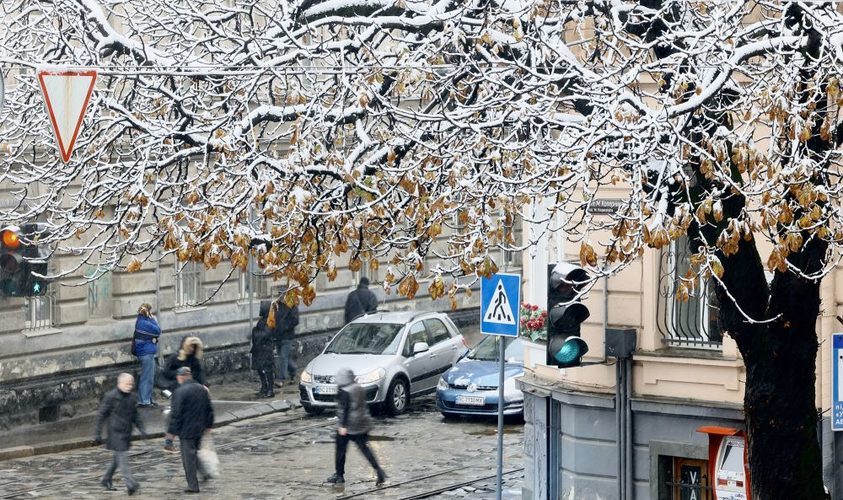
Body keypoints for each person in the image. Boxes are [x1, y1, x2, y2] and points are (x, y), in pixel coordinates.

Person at [326, 368, 386, 487]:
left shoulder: (344, 391)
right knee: (365, 449)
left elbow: (345, 409)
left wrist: (343, 426)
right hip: (362, 423)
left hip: (349, 425)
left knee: (340, 450)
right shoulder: (358, 387)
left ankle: (339, 475)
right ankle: (379, 471)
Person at [94, 373, 146, 496]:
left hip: (126, 432)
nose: (129, 386)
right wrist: (97, 433)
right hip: (115, 433)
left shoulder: (132, 397)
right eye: (126, 384)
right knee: (123, 458)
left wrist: (141, 428)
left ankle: (106, 479)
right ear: (119, 383)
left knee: (117, 459)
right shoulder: (111, 396)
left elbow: (135, 415)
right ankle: (130, 484)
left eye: (131, 384)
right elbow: (101, 415)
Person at [167, 366, 215, 494]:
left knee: (188, 459)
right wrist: (209, 425)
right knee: (194, 453)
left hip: (186, 430)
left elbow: (175, 415)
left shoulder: (179, 392)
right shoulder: (202, 389)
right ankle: (204, 473)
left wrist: (170, 436)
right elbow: (209, 409)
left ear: (180, 377)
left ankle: (193, 486)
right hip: (200, 429)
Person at [132, 303, 161, 408]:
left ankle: (147, 399)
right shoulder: (143, 323)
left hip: (146, 353)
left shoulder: (141, 321)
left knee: (148, 377)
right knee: (147, 378)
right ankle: (144, 401)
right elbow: (158, 331)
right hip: (146, 353)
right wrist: (153, 319)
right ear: (148, 311)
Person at [271, 298, 299, 387]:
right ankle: (293, 369)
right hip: (278, 336)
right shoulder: (276, 305)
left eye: (283, 294)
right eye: (280, 293)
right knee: (284, 357)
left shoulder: (292, 305)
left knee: (283, 356)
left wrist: (285, 327)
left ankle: (281, 379)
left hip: (287, 336)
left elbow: (295, 320)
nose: (281, 296)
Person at [251, 301, 275, 398]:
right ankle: (264, 387)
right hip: (259, 349)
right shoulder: (261, 321)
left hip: (266, 349)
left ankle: (270, 390)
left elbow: (265, 334)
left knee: (268, 370)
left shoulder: (270, 321)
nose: (260, 309)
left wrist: (255, 332)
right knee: (260, 369)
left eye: (262, 308)